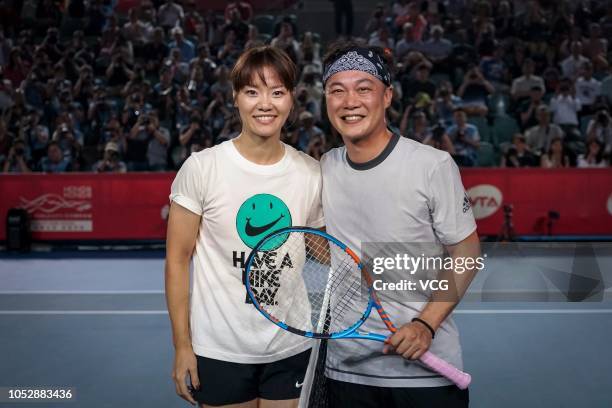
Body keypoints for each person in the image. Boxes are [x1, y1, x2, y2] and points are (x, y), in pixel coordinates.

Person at [315, 40, 479, 408]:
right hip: (346, 373)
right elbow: (326, 247)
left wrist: (425, 325)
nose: (349, 101)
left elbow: (467, 251)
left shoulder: (432, 165)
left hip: (427, 377)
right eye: (336, 90)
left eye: (364, 89)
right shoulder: (324, 167)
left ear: (387, 96)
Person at [165, 46, 324, 408]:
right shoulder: (202, 168)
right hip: (219, 349)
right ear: (235, 98)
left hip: (291, 345)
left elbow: (323, 249)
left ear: (291, 100)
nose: (265, 104)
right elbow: (177, 260)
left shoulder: (311, 173)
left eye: (277, 92)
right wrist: (183, 346)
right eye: (252, 91)